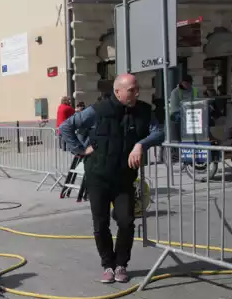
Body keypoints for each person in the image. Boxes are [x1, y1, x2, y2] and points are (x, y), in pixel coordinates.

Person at [60, 74, 165, 284]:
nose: (137, 93)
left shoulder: (144, 111)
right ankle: (107, 265)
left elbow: (159, 133)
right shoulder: (98, 111)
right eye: (131, 90)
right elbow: (65, 127)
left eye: (137, 89)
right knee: (101, 224)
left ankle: (121, 265)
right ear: (118, 92)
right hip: (98, 177)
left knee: (126, 222)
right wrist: (80, 150)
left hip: (124, 179)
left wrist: (140, 145)